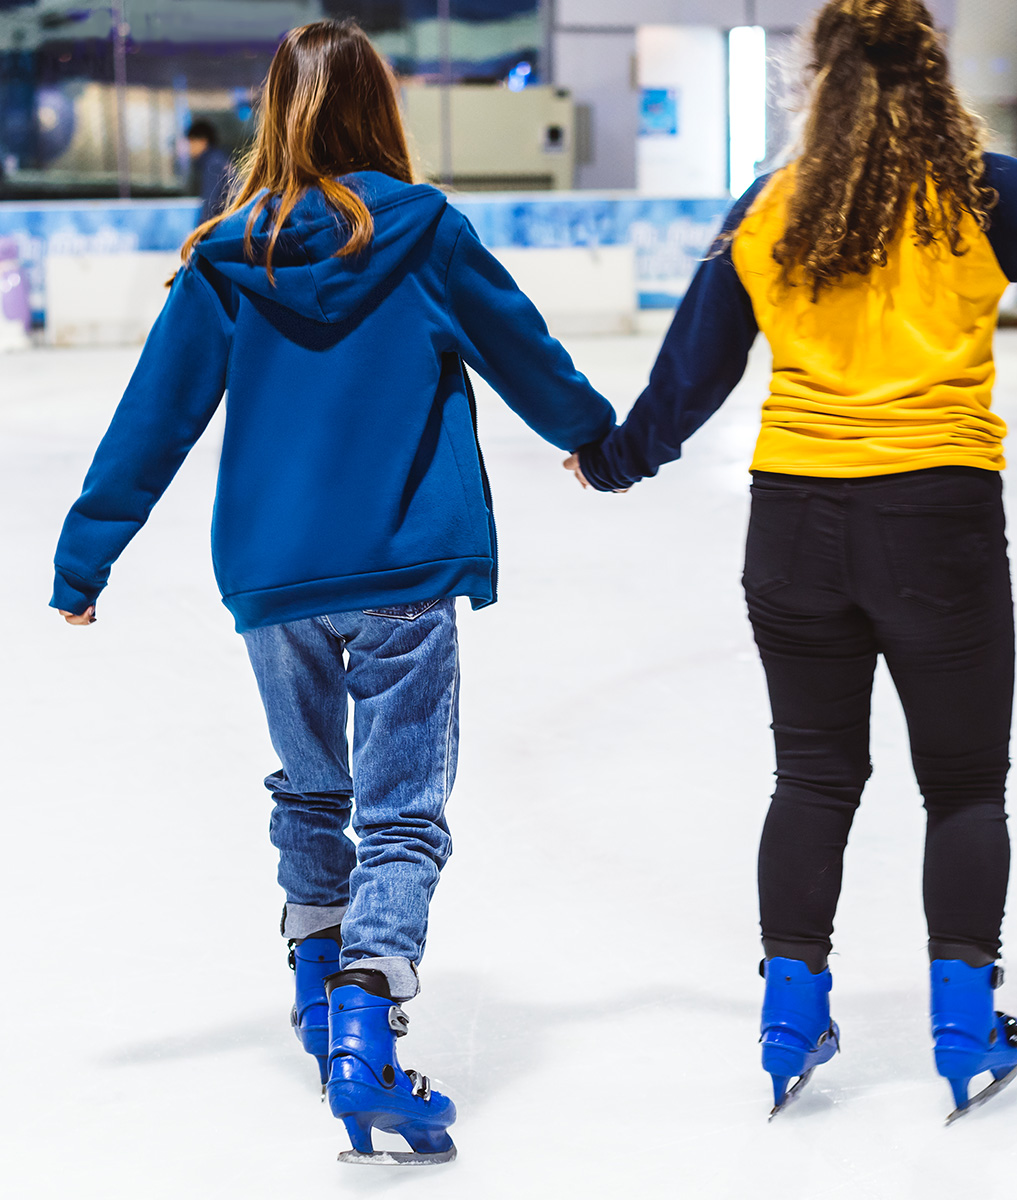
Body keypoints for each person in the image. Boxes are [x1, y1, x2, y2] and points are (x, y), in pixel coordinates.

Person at [569, 0, 1017, 1123]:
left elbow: (689, 379)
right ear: (932, 73)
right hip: (936, 524)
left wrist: (618, 461)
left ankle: (788, 1016)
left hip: (793, 528)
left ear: (816, 80)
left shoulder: (772, 205)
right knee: (962, 786)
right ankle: (964, 1028)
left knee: (813, 777)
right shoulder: (980, 189)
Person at [51, 20, 615, 1166]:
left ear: (272, 112)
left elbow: (152, 421)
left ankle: (319, 1002)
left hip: (275, 580)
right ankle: (367, 1022)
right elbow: (525, 352)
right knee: (399, 811)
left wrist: (86, 555)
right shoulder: (427, 234)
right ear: (381, 109)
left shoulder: (227, 255)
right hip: (404, 567)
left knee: (313, 793)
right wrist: (595, 439)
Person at [185, 119, 233, 223]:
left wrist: (200, 233)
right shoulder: (218, 159)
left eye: (191, 142)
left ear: (203, 141)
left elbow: (211, 205)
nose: (189, 148)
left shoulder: (213, 165)